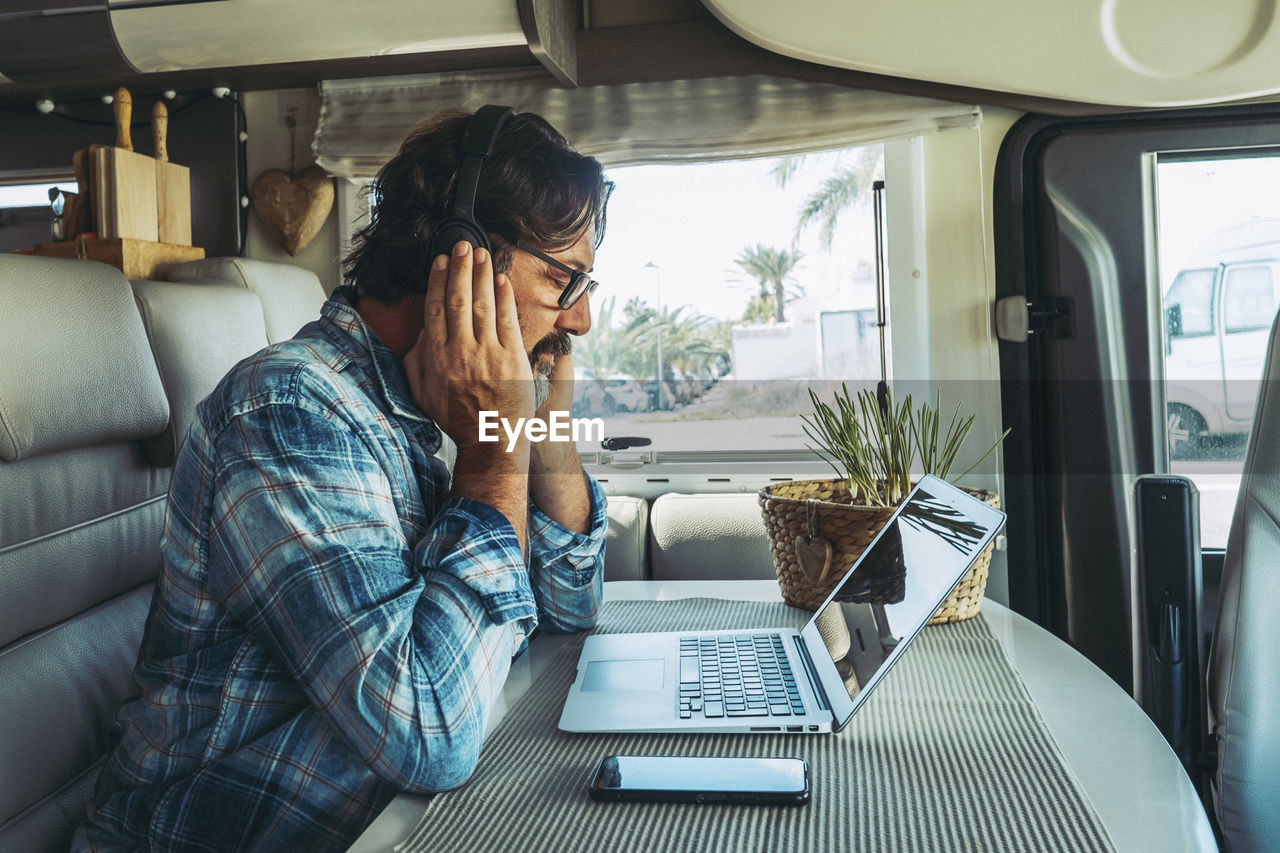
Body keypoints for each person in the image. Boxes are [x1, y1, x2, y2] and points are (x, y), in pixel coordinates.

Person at [73, 108, 614, 852]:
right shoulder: (290, 415)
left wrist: (540, 422)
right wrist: (494, 457)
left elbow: (569, 608)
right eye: (565, 279)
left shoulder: (430, 407)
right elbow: (430, 732)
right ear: (463, 259)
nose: (582, 318)